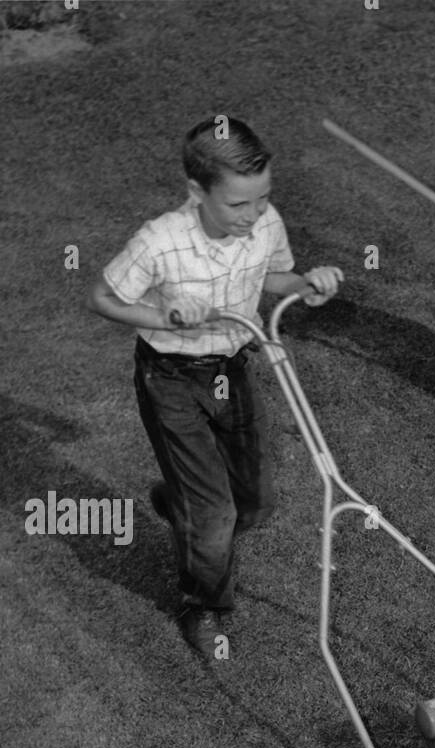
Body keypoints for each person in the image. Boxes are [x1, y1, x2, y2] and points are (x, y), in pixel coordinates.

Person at [87, 116, 343, 653]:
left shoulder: (265, 222)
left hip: (234, 369)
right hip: (172, 379)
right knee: (215, 516)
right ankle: (203, 604)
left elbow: (272, 276)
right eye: (237, 205)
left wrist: (307, 284)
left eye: (262, 199)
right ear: (196, 191)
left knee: (255, 503)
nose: (252, 216)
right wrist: (166, 317)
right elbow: (104, 298)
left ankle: (179, 503)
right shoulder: (159, 241)